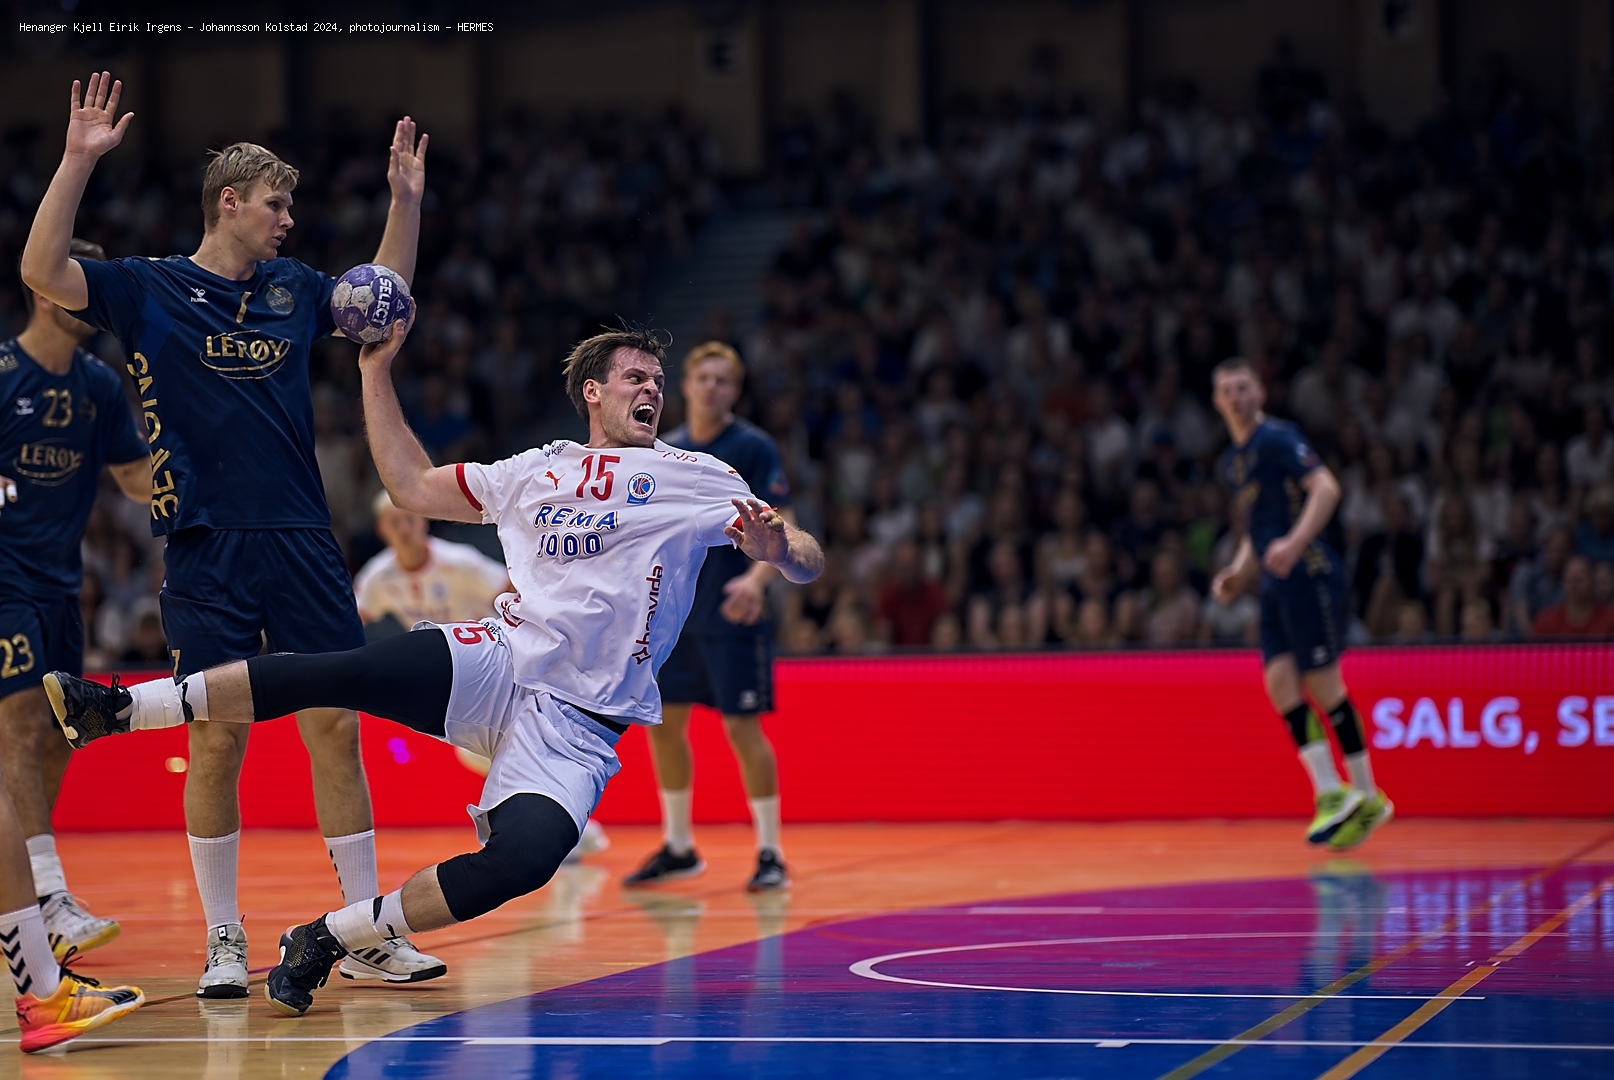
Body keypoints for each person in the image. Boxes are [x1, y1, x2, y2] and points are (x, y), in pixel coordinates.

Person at [44, 322, 825, 1019]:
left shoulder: (698, 476)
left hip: (580, 725)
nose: (651, 389)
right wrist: (374, 371)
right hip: (502, 657)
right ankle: (117, 709)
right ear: (593, 392)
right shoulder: (536, 469)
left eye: (657, 380)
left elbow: (807, 556)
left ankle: (333, 935)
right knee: (339, 672)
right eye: (634, 377)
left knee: (521, 864)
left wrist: (778, 551)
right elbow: (410, 486)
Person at [21, 71, 443, 996]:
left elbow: (382, 300)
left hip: (302, 537)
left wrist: (405, 204)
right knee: (217, 739)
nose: (289, 220)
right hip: (206, 542)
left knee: (336, 728)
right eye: (276, 205)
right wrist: (77, 160)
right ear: (230, 203)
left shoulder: (295, 287)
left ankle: (362, 931)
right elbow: (43, 270)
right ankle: (222, 937)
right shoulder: (148, 288)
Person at [0, 239, 148, 1050]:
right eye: (77, 288)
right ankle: (49, 898)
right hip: (6, 582)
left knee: (57, 734)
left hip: (62, 587)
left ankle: (35, 904)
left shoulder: (96, 385)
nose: (90, 303)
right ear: (41, 289)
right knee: (21, 724)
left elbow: (133, 479)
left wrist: (198, 461)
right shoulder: (3, 374)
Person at [623, 341, 797, 892]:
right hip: (674, 618)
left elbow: (782, 522)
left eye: (723, 380)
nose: (712, 388)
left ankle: (770, 852)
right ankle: (679, 846)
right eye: (704, 378)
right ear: (686, 386)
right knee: (663, 727)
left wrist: (757, 579)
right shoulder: (665, 450)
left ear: (735, 391)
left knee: (742, 727)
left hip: (732, 615)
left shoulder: (752, 446)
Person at [354, 492, 610, 860]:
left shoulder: (459, 562)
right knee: (492, 753)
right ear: (382, 529)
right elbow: (355, 618)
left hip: (496, 664)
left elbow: (513, 587)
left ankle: (551, 830)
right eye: (395, 522)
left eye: (409, 519)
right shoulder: (379, 576)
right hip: (452, 677)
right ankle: (564, 825)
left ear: (422, 521)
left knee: (502, 749)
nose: (404, 529)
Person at [1209, 357, 1392, 851]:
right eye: (1228, 391)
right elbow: (1256, 530)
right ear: (1217, 402)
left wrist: (1294, 543)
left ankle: (1367, 794)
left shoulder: (1277, 438)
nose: (1237, 398)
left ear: (1260, 393)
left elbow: (1326, 487)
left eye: (1244, 388)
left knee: (1323, 684)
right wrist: (1238, 572)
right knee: (1280, 685)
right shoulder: (1235, 461)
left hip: (1308, 574)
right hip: (1274, 584)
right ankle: (1330, 791)